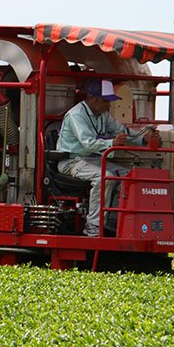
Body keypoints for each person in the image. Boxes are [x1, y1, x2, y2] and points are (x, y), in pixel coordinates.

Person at [56, 79, 159, 237]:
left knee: (128, 176)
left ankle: (113, 221)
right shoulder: (76, 115)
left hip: (92, 160)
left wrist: (142, 139)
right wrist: (112, 142)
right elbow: (88, 143)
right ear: (92, 99)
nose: (108, 105)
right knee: (105, 177)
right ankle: (93, 226)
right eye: (105, 101)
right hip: (71, 161)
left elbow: (120, 130)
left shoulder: (103, 114)